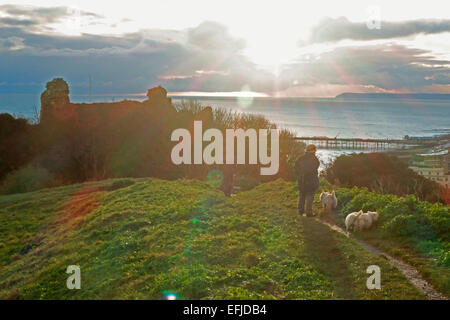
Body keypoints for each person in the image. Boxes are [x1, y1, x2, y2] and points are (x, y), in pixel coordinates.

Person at [295, 144, 320, 217]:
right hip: (311, 180)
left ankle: (300, 210)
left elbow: (295, 166)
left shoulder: (300, 158)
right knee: (310, 195)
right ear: (312, 150)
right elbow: (316, 166)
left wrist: (299, 174)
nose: (315, 151)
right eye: (314, 150)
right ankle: (308, 212)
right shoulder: (314, 159)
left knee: (302, 194)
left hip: (301, 179)